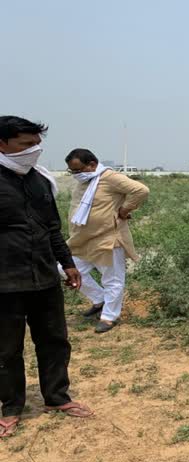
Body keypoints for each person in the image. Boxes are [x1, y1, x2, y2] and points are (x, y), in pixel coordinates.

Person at [0, 116, 93, 438]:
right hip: (5, 281)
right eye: (26, 145)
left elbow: (52, 228)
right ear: (2, 144)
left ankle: (56, 397)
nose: (34, 150)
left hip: (43, 276)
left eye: (36, 143)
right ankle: (11, 407)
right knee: (6, 349)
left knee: (54, 340)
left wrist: (67, 264)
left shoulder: (39, 180)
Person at [64, 149, 149, 333]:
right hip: (82, 240)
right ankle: (100, 299)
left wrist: (125, 210)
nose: (76, 175)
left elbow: (140, 190)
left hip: (108, 237)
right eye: (72, 171)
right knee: (65, 269)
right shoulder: (83, 182)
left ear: (92, 164)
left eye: (78, 170)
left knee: (112, 279)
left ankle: (110, 316)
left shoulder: (110, 177)